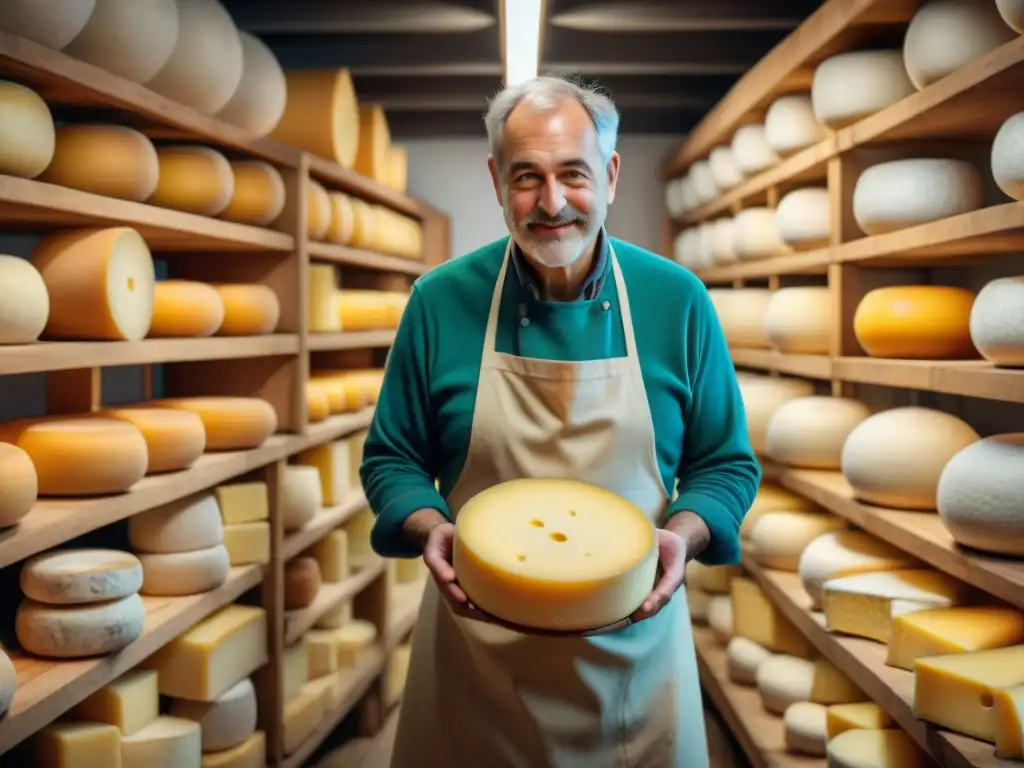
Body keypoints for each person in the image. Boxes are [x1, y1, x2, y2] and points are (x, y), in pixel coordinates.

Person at [360, 74, 760, 768]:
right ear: (495, 180)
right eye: (526, 178)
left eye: (572, 174)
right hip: (475, 659)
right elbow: (391, 457)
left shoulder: (678, 301)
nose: (551, 203)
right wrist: (431, 527)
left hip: (633, 656)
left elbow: (724, 463)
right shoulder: (439, 301)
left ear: (608, 174)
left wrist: (683, 537)